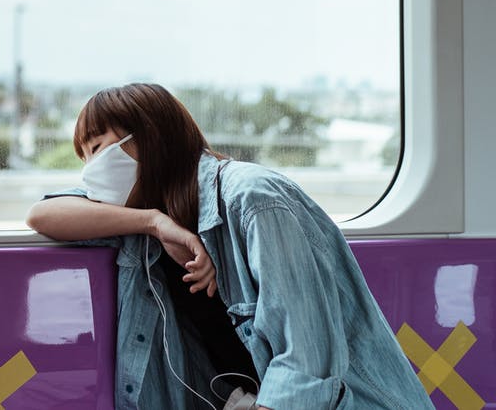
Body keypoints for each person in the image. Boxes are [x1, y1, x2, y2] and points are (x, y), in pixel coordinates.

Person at [25, 83, 431, 410]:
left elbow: (307, 363)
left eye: (97, 148)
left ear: (146, 139)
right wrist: (155, 222)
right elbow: (44, 216)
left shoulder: (254, 199)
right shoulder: (149, 220)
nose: (91, 169)